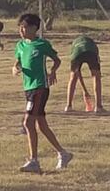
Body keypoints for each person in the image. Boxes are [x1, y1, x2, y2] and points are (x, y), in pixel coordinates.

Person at [12, 13, 74, 174]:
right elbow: (18, 62)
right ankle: (63, 153)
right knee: (41, 125)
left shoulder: (42, 44)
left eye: (24, 27)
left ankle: (34, 161)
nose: (21, 30)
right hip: (28, 88)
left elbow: (57, 60)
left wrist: (53, 71)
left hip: (40, 87)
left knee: (28, 122)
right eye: (20, 27)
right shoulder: (20, 45)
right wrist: (16, 68)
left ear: (34, 28)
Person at [64, 34, 105, 113]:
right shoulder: (93, 46)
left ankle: (68, 106)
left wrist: (85, 90)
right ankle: (98, 107)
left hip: (77, 53)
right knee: (96, 77)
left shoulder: (74, 46)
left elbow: (77, 72)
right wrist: (85, 91)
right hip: (91, 53)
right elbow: (96, 73)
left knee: (73, 78)